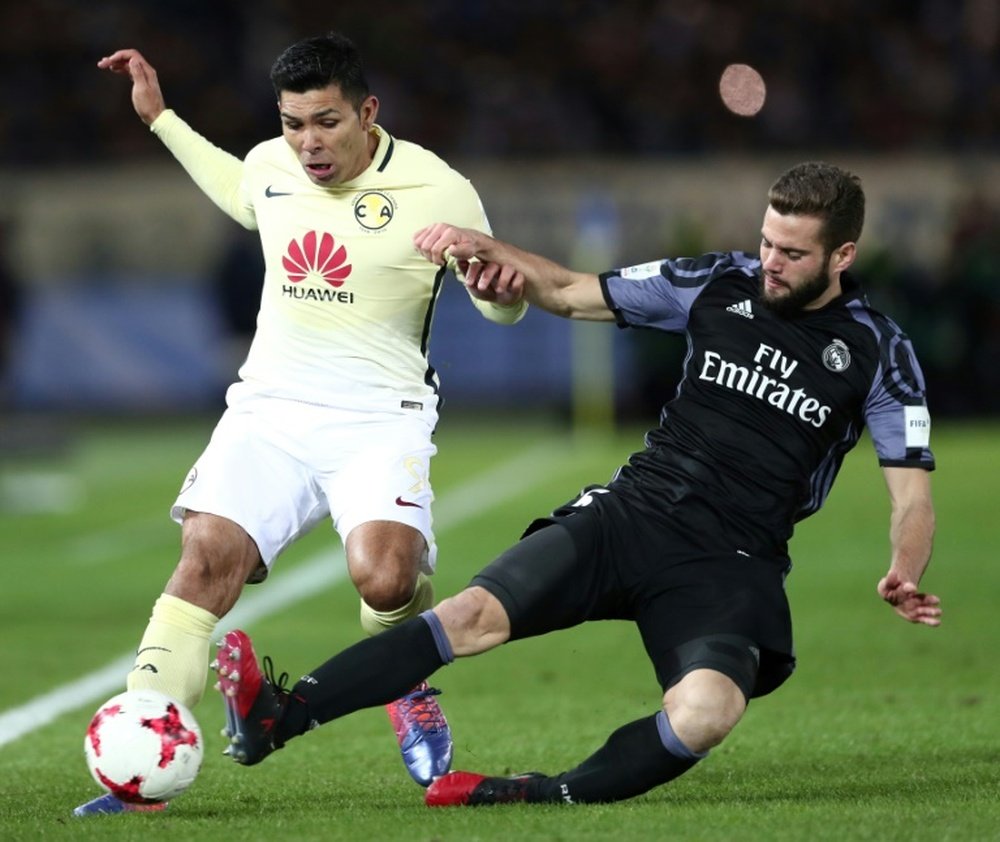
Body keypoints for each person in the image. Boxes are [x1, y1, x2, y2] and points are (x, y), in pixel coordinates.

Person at [210, 161, 941, 806]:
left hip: (731, 561)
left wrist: (904, 571)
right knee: (468, 617)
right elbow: (569, 290)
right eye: (766, 242)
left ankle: (527, 792)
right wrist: (488, 252)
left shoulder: (879, 352)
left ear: (843, 254)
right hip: (632, 515)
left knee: (707, 714)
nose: (770, 263)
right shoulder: (717, 283)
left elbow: (910, 494)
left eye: (792, 253)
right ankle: (276, 716)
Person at [76, 33, 527, 817]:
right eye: (293, 124)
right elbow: (238, 188)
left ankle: (407, 679)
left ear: (367, 112)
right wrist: (161, 119)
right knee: (205, 560)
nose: (308, 143)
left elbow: (496, 299)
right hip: (272, 409)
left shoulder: (439, 188)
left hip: (382, 416)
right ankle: (138, 769)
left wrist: (501, 288)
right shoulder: (272, 164)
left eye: (325, 122)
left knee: (385, 578)